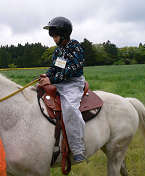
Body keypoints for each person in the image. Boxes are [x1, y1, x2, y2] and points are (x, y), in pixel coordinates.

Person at [40, 16, 86, 163]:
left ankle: (78, 149)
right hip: (60, 82)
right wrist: (46, 75)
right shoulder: (58, 51)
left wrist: (51, 80)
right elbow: (55, 68)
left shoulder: (76, 47)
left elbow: (70, 71)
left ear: (64, 34)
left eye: (55, 35)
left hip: (73, 83)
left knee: (70, 108)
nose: (53, 38)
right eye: (52, 35)